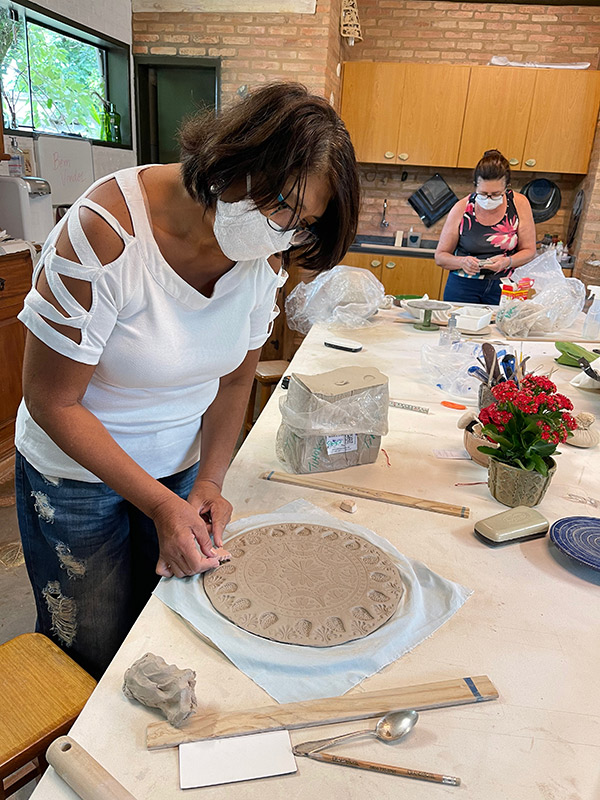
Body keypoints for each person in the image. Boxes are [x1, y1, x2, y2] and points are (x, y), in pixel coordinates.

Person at [15, 83, 360, 678]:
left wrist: (210, 480)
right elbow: (52, 399)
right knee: (90, 647)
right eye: (282, 207)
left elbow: (232, 385)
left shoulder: (263, 253)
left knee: (167, 623)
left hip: (179, 467)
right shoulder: (105, 232)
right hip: (75, 475)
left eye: (302, 224)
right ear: (233, 160)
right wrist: (158, 502)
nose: (283, 234)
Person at [435, 149, 536, 305]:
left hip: (504, 287)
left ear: (506, 187)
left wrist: (507, 262)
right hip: (463, 287)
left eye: (496, 194)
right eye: (483, 193)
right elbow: (440, 256)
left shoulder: (519, 204)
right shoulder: (461, 208)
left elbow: (529, 251)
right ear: (475, 185)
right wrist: (462, 262)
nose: (488, 199)